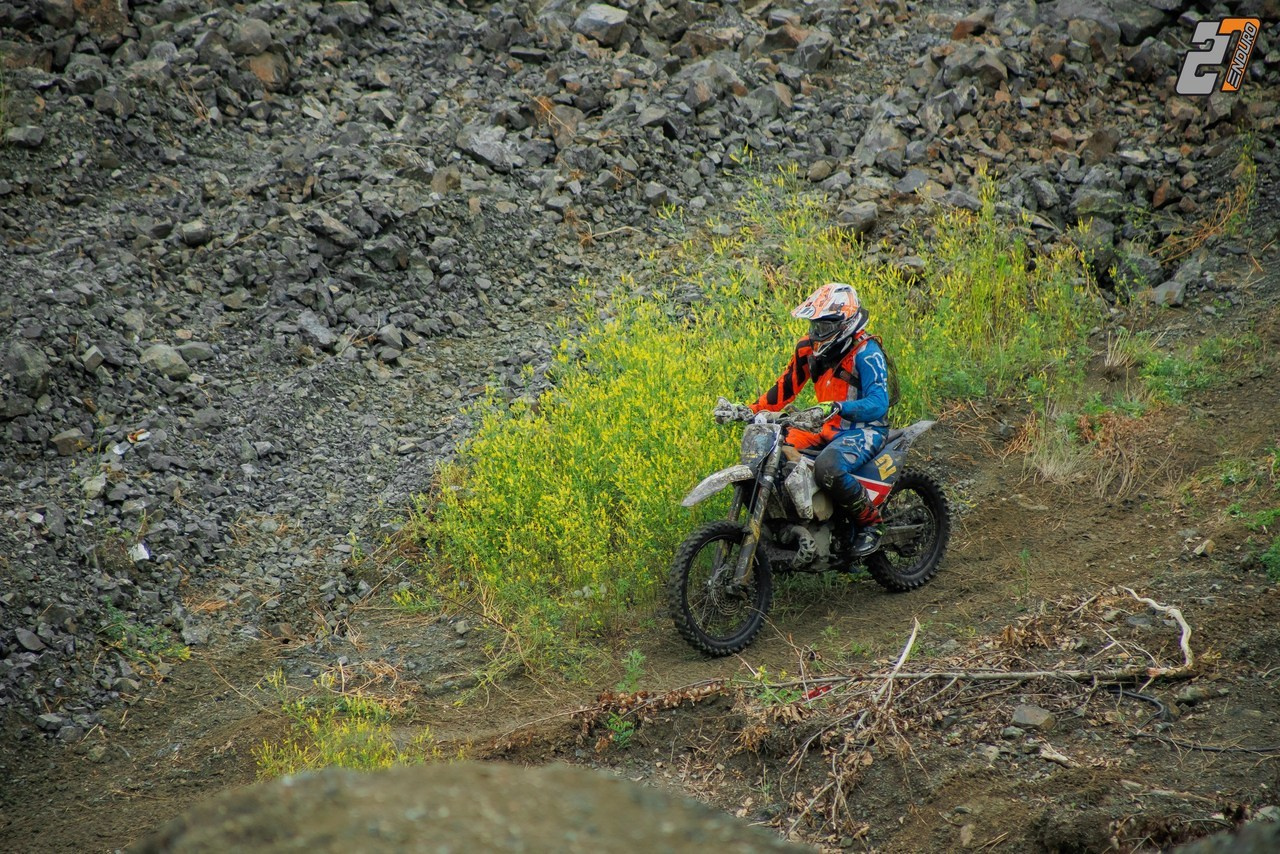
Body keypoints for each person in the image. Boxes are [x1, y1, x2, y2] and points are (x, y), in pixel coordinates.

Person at [714, 282, 891, 557]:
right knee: (768, 455)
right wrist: (747, 410)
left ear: (844, 323)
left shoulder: (867, 353)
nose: (817, 333)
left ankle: (871, 525)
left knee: (828, 467)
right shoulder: (808, 349)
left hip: (863, 429)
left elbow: (879, 403)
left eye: (824, 326)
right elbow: (783, 390)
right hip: (823, 426)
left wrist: (837, 407)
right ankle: (790, 526)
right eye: (814, 325)